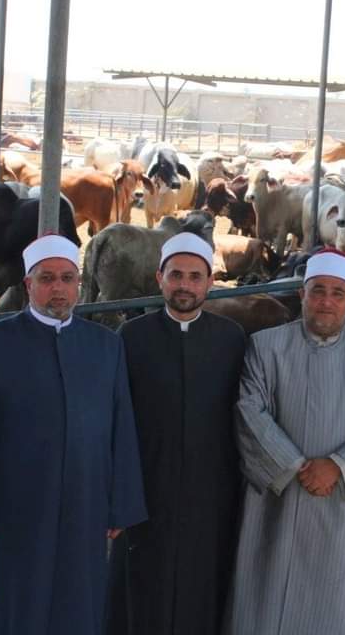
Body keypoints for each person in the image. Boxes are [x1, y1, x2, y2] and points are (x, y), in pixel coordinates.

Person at [0, 234, 146, 635]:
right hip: (13, 509)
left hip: (85, 505)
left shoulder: (105, 346)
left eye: (67, 278)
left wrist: (120, 503)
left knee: (77, 603)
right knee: (11, 603)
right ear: (28, 285)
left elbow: (121, 428)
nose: (58, 288)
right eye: (47, 278)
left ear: (78, 283)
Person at [226, 250, 345, 635]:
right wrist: (295, 466)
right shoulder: (265, 347)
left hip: (339, 503)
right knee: (265, 600)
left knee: (333, 606)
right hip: (277, 500)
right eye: (317, 291)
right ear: (302, 295)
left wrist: (338, 467)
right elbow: (249, 411)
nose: (326, 301)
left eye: (337, 293)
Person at [107, 233, 247, 635]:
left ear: (209, 282)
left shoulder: (231, 337)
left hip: (212, 491)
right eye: (176, 275)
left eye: (195, 276)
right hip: (146, 487)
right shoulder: (131, 336)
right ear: (159, 278)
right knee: (141, 586)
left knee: (203, 584)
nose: (185, 285)